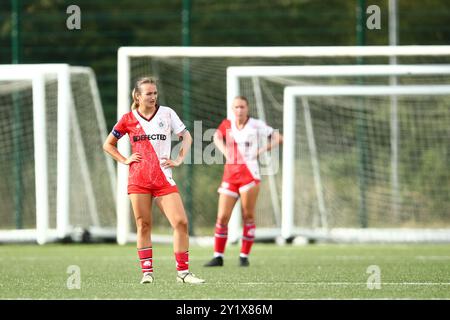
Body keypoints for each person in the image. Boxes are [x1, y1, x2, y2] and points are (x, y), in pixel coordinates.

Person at [103, 77, 205, 284]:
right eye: (148, 93)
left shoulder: (167, 113)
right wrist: (125, 160)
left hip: (163, 178)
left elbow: (187, 136)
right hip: (138, 179)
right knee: (144, 225)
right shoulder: (128, 119)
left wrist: (178, 159)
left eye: (155, 93)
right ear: (137, 96)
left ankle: (183, 273)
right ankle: (147, 273)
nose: (153, 97)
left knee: (181, 222)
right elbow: (108, 144)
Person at [204, 96, 283, 267]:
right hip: (230, 176)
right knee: (222, 217)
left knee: (248, 215)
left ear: (247, 108)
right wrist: (226, 152)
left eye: (242, 107)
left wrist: (261, 150)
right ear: (232, 109)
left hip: (250, 175)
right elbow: (216, 137)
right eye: (236, 107)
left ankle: (244, 256)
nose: (239, 110)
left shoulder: (256, 124)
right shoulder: (227, 124)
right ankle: (218, 256)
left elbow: (278, 138)